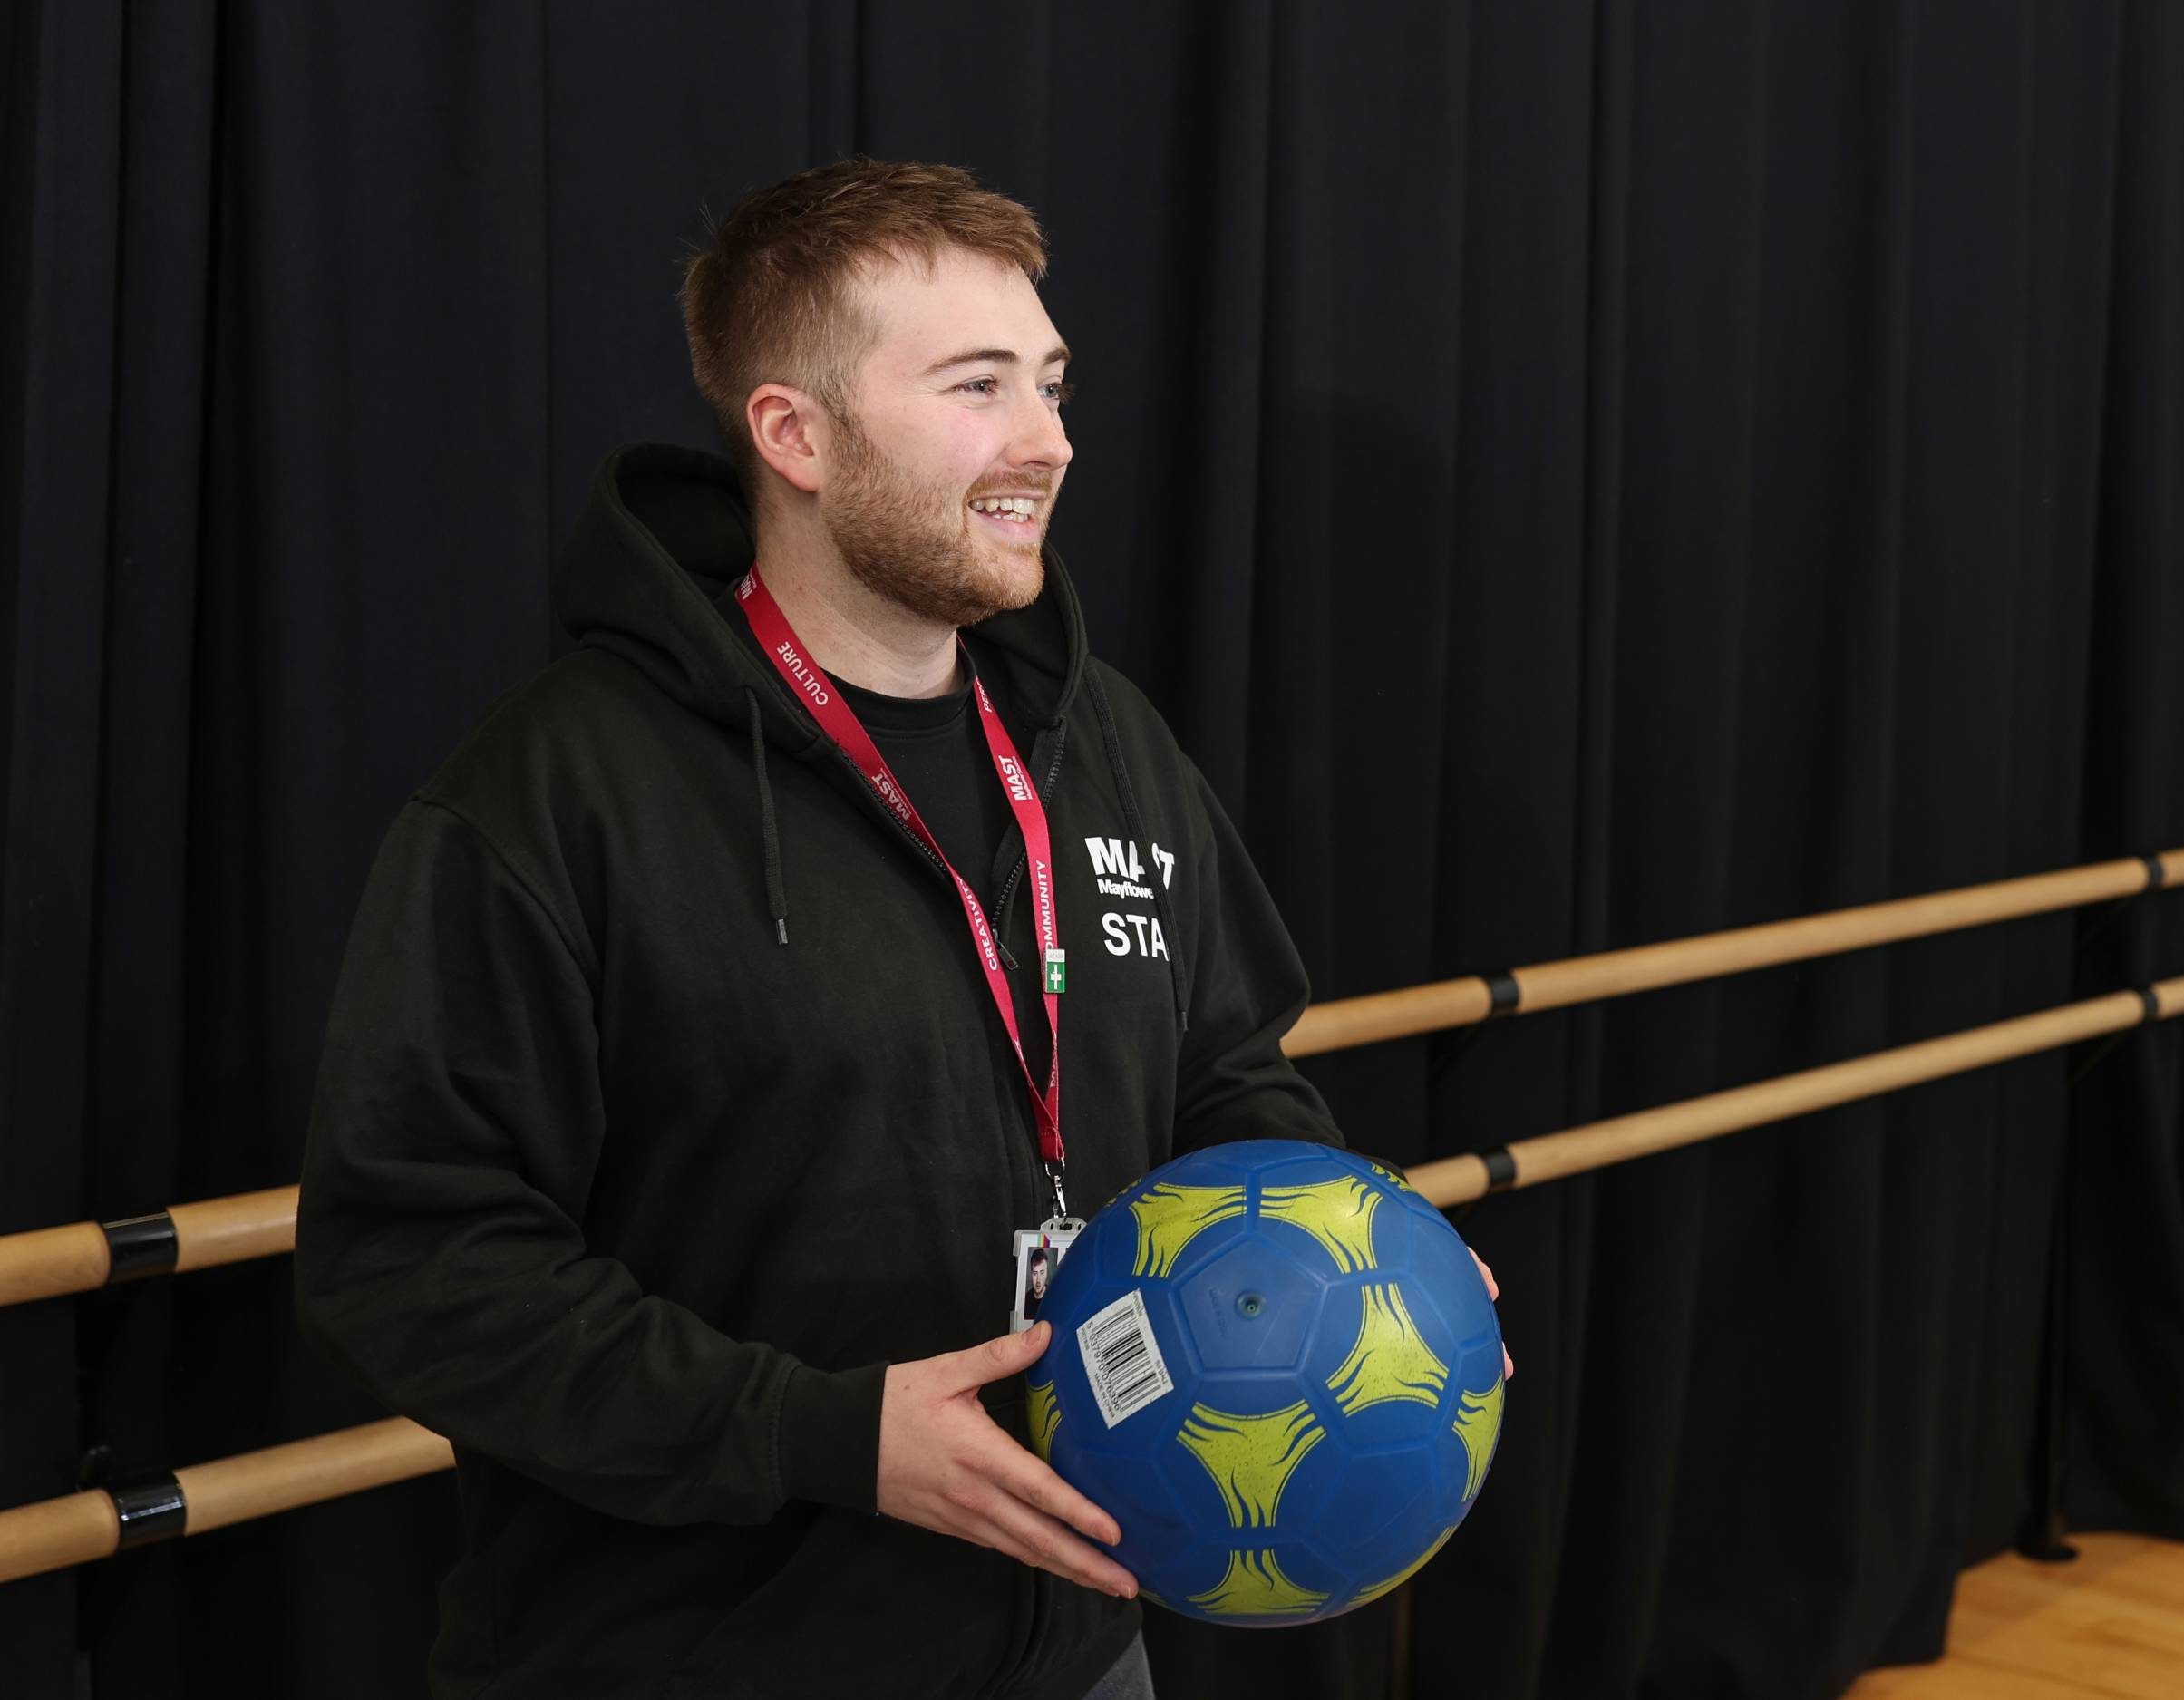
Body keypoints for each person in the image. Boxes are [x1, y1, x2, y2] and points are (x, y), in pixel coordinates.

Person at [295, 157, 1503, 1700]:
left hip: (1076, 1641)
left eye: (1052, 383)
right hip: (699, 1658)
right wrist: (820, 1433)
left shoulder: (1106, 741)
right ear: (794, 434)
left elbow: (1225, 1081)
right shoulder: (551, 795)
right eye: (978, 386)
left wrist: (1371, 1264)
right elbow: (411, 1260)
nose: (1048, 443)